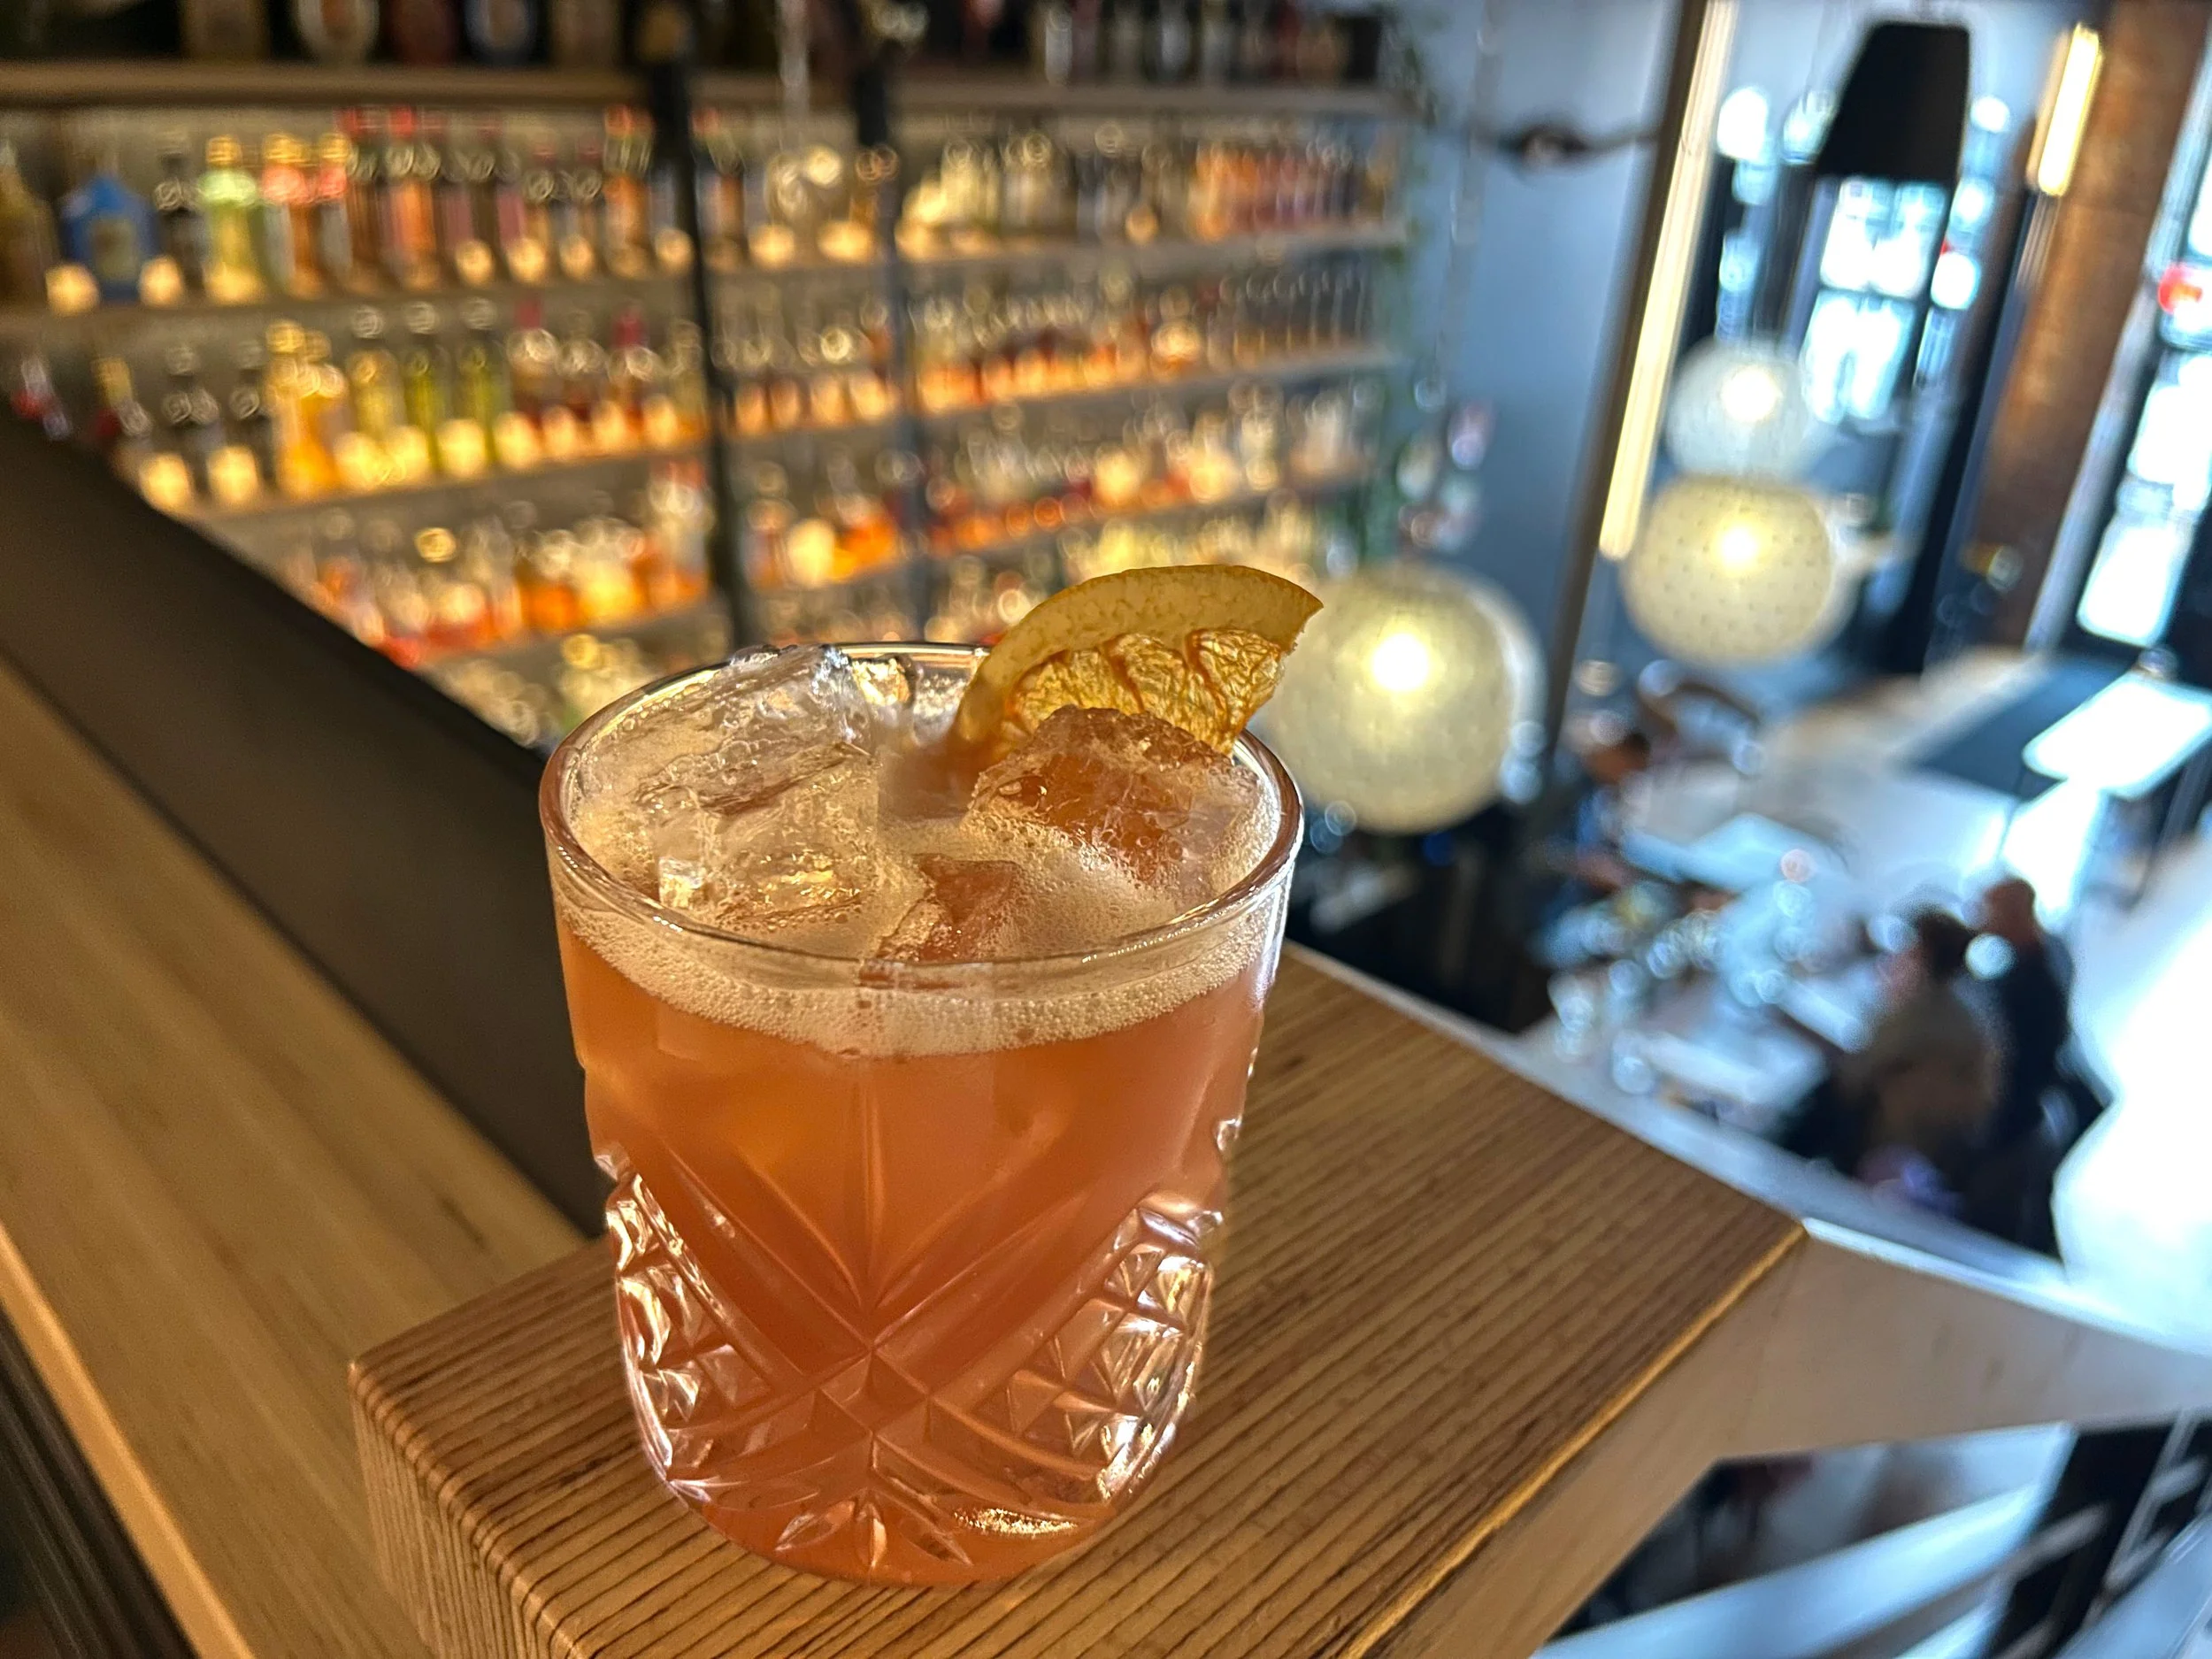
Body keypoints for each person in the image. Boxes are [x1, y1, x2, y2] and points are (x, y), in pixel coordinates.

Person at [1815, 909, 2002, 1199]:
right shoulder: (1967, 1004)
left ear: (1923, 954)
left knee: (1815, 1100)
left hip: (1902, 1140)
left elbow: (1857, 1072)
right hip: (1939, 1138)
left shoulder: (1930, 1010)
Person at [1974, 877, 2075, 1150]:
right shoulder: (2047, 954)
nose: (1983, 921)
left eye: (1989, 911)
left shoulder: (2030, 980)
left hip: (2022, 1099)